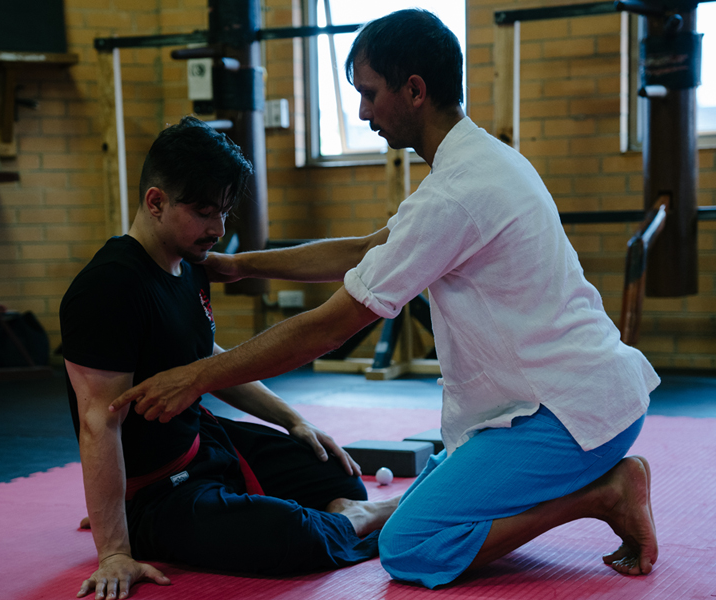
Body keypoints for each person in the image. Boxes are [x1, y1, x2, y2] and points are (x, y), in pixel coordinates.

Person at [108, 9, 660, 590]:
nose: (364, 111)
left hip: (569, 417)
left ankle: (604, 493)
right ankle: (388, 508)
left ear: (415, 90)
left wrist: (196, 377)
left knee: (410, 549)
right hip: (575, 397)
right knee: (442, 474)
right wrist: (239, 265)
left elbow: (327, 329)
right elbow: (369, 248)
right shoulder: (478, 161)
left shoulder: (454, 195)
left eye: (370, 94)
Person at [60, 117, 399, 600]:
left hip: (204, 444)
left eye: (223, 212)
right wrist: (114, 548)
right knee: (295, 539)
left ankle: (348, 509)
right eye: (203, 212)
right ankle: (359, 520)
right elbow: (99, 422)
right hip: (160, 492)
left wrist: (293, 421)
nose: (217, 229)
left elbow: (207, 360)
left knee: (335, 473)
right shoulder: (108, 289)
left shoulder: (190, 262)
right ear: (156, 202)